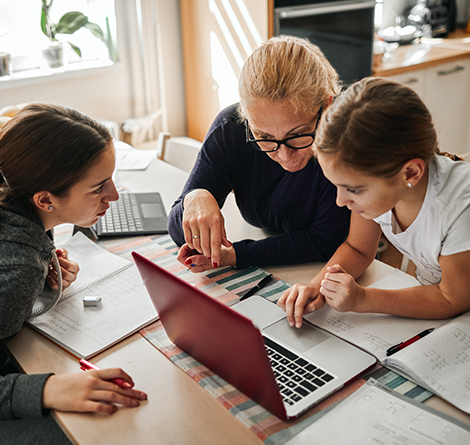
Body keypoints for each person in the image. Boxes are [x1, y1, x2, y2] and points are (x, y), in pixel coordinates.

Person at [0, 104, 147, 444]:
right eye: (98, 188)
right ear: (46, 200)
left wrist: (42, 264)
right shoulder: (18, 267)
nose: (114, 195)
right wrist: (45, 388)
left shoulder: (18, 209)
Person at [277, 77, 470, 328]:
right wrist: (318, 287)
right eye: (337, 185)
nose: (339, 201)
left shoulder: (459, 209)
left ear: (411, 173)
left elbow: (450, 299)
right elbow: (358, 248)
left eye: (353, 189)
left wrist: (363, 299)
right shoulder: (383, 189)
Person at [168, 36, 351, 272]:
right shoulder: (230, 130)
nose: (285, 155)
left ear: (326, 106)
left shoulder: (344, 139)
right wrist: (194, 197)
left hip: (328, 268)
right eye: (264, 138)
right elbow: (176, 231)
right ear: (245, 116)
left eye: (298, 135)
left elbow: (325, 241)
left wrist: (236, 255)